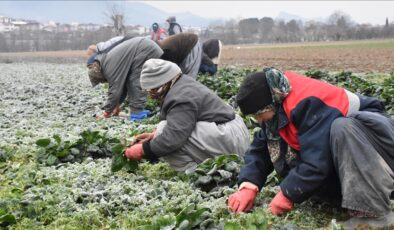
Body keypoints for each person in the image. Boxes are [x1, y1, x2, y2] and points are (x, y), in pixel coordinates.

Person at [227, 68, 394, 229]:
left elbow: (317, 160)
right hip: (354, 146)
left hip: (377, 142)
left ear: (269, 106)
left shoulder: (307, 101)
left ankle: (374, 214)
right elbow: (261, 148)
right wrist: (249, 185)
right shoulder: (277, 101)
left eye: (258, 114)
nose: (258, 120)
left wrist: (288, 194)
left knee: (341, 127)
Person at [124, 59, 250, 172]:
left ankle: (194, 172)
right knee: (162, 131)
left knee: (165, 132)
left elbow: (173, 138)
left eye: (152, 89)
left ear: (163, 82)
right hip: (234, 133)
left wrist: (143, 150)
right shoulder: (182, 83)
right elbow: (183, 121)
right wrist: (153, 136)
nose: (151, 94)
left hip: (231, 139)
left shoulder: (180, 97)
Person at [86, 37, 163, 121]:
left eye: (101, 81)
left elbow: (115, 91)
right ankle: (138, 110)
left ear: (99, 75)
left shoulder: (109, 68)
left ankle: (137, 112)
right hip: (145, 47)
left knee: (134, 80)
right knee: (130, 80)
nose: (104, 82)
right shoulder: (107, 63)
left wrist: (107, 112)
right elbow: (122, 88)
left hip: (145, 49)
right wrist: (116, 105)